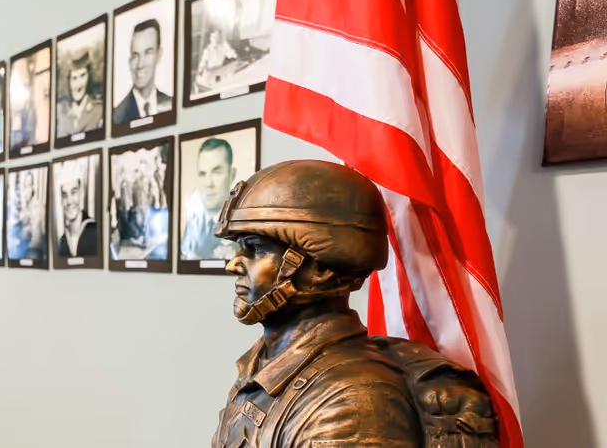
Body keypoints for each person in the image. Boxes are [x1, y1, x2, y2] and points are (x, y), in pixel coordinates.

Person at [210, 160, 499, 448]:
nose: (234, 264)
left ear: (319, 270)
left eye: (256, 249)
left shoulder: (350, 398)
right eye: (240, 248)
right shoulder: (264, 367)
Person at [182, 137, 238, 259]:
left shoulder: (241, 225)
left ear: (232, 174)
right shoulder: (193, 223)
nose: (208, 183)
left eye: (216, 172)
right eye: (203, 174)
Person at [114, 19, 172, 123]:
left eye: (148, 53)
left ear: (159, 55)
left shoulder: (172, 104)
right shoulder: (116, 117)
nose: (140, 64)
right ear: (129, 61)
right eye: (135, 55)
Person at [56, 163, 98, 257]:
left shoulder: (96, 232)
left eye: (73, 192)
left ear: (81, 193)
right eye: (65, 195)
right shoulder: (62, 241)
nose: (69, 201)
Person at [58, 50, 103, 136]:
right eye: (74, 78)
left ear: (89, 77)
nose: (78, 85)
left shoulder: (99, 110)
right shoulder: (61, 113)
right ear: (69, 82)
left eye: (82, 76)